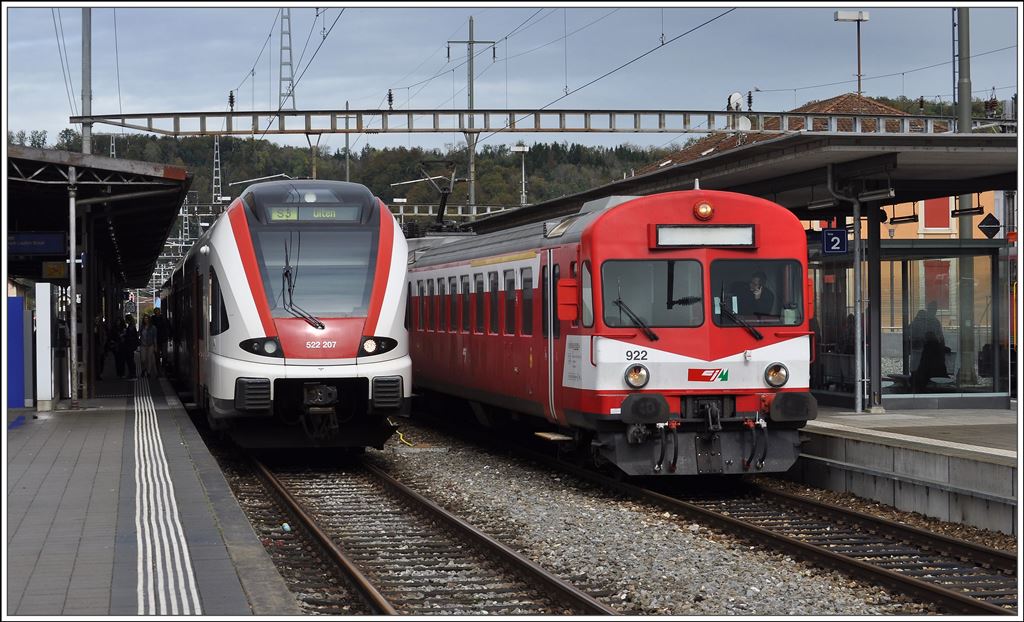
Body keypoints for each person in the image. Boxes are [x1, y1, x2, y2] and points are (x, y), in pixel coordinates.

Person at [119, 314, 139, 379]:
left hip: (129, 346)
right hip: (131, 345)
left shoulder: (130, 327)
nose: (125, 321)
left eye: (126, 319)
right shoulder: (132, 326)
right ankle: (132, 374)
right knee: (130, 360)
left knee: (130, 360)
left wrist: (123, 335)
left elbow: (129, 337)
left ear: (128, 320)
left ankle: (132, 374)